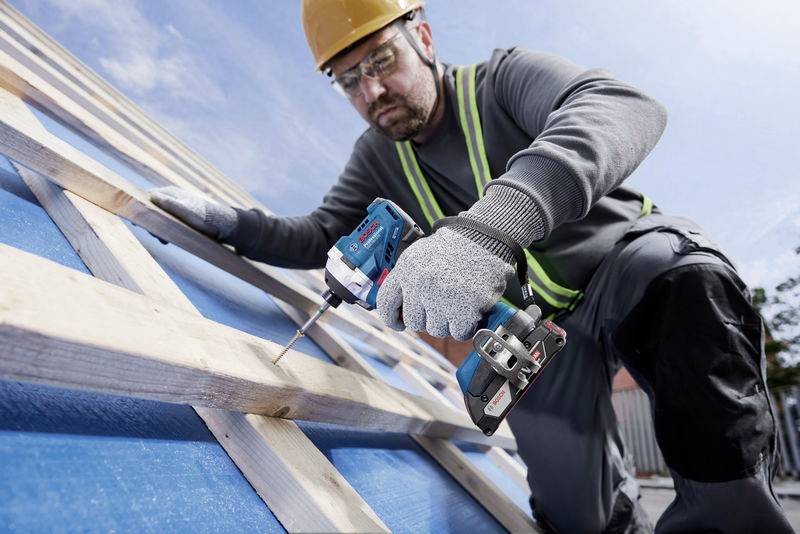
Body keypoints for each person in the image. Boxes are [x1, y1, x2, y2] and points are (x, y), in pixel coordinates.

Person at [150, 1, 791, 531]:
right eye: (349, 80)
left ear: (423, 36)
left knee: (684, 283)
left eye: (382, 61)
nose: (372, 90)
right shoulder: (377, 160)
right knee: (572, 516)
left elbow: (627, 107)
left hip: (627, 270)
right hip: (538, 331)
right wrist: (230, 224)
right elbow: (319, 234)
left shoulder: (502, 81)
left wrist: (487, 229)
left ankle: (727, 517)